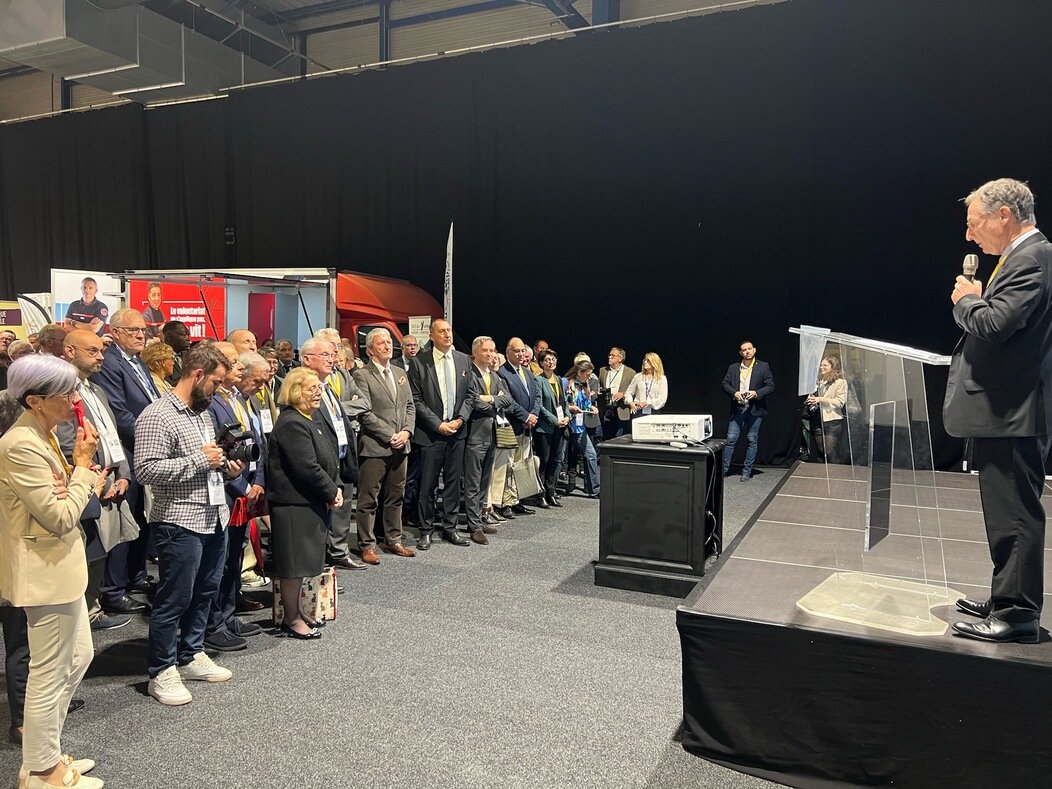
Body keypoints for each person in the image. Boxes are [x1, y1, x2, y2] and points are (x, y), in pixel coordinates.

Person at [944, 178, 1052, 645]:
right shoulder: (1021, 257)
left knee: (1017, 513)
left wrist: (966, 299)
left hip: (1015, 410)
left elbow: (994, 323)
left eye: (975, 224)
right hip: (1006, 409)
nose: (970, 237)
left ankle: (1018, 613)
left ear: (1003, 215)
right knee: (1004, 511)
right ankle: (1005, 596)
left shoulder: (1033, 257)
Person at [0, 355, 105, 789]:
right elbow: (59, 517)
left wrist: (77, 471)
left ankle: (43, 758)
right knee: (49, 672)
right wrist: (83, 471)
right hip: (44, 575)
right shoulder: (21, 444)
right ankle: (42, 772)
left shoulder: (38, 435)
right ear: (35, 400)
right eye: (66, 394)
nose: (74, 401)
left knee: (77, 658)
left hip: (59, 570)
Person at [136, 342, 241, 705]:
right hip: (178, 520)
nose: (218, 390)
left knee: (206, 592)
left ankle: (191, 654)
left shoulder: (203, 412)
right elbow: (146, 470)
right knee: (174, 599)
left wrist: (227, 468)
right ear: (197, 375)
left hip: (213, 515)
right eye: (215, 383)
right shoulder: (157, 415)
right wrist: (200, 460)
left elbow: (211, 460)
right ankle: (161, 671)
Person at [59, 330, 135, 633]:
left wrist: (124, 473)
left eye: (101, 350)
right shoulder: (62, 393)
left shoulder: (96, 391)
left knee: (102, 550)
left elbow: (113, 437)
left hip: (110, 477)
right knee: (88, 551)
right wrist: (95, 480)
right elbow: (68, 443)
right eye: (92, 351)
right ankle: (86, 612)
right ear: (69, 351)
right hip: (84, 481)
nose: (101, 356)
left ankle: (95, 607)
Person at [91, 308, 157, 616]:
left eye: (143, 330)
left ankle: (136, 576)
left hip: (144, 447)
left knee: (142, 518)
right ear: (115, 332)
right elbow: (119, 414)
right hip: (128, 450)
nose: (141, 335)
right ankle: (113, 590)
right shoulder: (111, 364)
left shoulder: (138, 361)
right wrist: (155, 437)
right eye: (133, 330)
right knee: (125, 517)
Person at [267, 367, 341, 639]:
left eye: (318, 388)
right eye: (311, 389)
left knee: (301, 566)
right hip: (293, 506)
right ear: (296, 391)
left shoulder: (306, 419)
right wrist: (331, 491)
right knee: (293, 567)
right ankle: (292, 618)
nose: (318, 393)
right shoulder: (292, 423)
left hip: (307, 504)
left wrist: (333, 489)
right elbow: (307, 468)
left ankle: (297, 611)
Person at [202, 343, 265, 652]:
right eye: (232, 363)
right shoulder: (211, 403)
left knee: (235, 558)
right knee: (220, 560)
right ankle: (213, 623)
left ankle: (228, 614)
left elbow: (258, 441)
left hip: (247, 487)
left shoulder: (239, 398)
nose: (239, 368)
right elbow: (219, 451)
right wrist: (242, 486)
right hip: (228, 492)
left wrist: (258, 481)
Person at [352, 328, 417, 560]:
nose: (388, 346)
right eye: (382, 343)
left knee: (395, 496)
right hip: (376, 445)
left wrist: (407, 432)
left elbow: (410, 405)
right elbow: (365, 412)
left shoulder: (400, 372)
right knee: (369, 497)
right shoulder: (362, 375)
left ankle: (393, 540)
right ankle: (366, 544)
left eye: (389, 342)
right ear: (370, 350)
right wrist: (391, 434)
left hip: (402, 445)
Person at [300, 336, 364, 570]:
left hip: (340, 458)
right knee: (320, 519)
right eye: (325, 355)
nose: (333, 359)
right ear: (307, 360)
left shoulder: (328, 385)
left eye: (333, 354)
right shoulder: (303, 388)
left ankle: (337, 555)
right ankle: (320, 568)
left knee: (341, 510)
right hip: (320, 463)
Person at [410, 318, 472, 549]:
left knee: (454, 484)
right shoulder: (419, 363)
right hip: (431, 433)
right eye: (442, 331)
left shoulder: (463, 360)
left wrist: (460, 419)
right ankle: (425, 530)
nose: (447, 335)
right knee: (427, 485)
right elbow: (416, 399)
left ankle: (450, 528)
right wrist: (437, 424)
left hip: (457, 432)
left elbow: (470, 395)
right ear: (432, 335)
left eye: (449, 331)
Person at [464, 336, 512, 542]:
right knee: (473, 483)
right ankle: (473, 525)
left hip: (493, 434)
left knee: (485, 481)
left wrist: (490, 399)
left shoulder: (494, 375)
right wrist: (494, 401)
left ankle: (480, 517)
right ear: (475, 352)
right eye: (486, 351)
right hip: (475, 435)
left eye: (493, 350)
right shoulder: (469, 375)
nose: (491, 354)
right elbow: (475, 403)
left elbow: (508, 400)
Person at [497, 338, 540, 518]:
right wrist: (525, 416)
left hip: (527, 427)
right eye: (517, 351)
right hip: (512, 426)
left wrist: (534, 415)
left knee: (522, 464)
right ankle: (507, 502)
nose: (521, 354)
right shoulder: (502, 373)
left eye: (523, 351)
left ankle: (518, 500)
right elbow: (508, 402)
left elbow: (537, 396)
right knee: (508, 466)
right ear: (508, 353)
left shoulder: (527, 372)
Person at [720, 342, 774, 481]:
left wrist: (756, 393)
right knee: (731, 439)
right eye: (744, 350)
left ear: (754, 350)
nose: (747, 352)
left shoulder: (763, 366)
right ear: (740, 353)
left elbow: (770, 386)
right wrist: (735, 393)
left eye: (749, 349)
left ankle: (746, 470)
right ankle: (723, 470)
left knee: (752, 440)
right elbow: (724, 384)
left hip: (755, 409)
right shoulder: (733, 368)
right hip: (738, 408)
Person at [534, 348, 570, 507]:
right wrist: (555, 420)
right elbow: (539, 406)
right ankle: (540, 494)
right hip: (545, 427)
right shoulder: (538, 380)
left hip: (560, 426)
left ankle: (551, 492)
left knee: (555, 460)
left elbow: (564, 402)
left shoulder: (559, 379)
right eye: (547, 360)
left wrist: (567, 416)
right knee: (544, 460)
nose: (551, 362)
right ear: (541, 363)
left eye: (553, 359)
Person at [566, 361, 601, 498]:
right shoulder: (568, 383)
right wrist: (571, 408)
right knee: (559, 459)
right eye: (587, 375)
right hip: (568, 425)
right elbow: (562, 403)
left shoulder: (585, 385)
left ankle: (594, 489)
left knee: (591, 454)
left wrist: (591, 408)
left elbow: (586, 404)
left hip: (579, 427)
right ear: (579, 373)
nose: (589, 377)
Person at [806, 355, 847, 463]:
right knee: (820, 450)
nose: (821, 367)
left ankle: (836, 473)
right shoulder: (818, 381)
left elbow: (840, 402)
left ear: (833, 367)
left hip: (832, 421)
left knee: (829, 451)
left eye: (825, 365)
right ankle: (822, 475)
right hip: (817, 418)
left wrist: (820, 399)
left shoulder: (840, 382)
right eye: (821, 365)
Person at [598, 347, 636, 440]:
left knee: (619, 438)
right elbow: (599, 386)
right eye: (609, 355)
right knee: (606, 437)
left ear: (620, 358)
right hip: (606, 409)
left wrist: (623, 394)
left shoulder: (630, 372)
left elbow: (634, 391)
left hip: (621, 409)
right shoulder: (603, 370)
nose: (609, 357)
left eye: (613, 355)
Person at [625, 353, 668, 417]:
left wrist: (647, 402)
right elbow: (628, 393)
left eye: (648, 360)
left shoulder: (661, 379)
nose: (645, 362)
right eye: (644, 360)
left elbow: (662, 399)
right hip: (638, 411)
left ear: (654, 362)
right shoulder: (638, 377)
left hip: (654, 412)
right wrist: (630, 402)